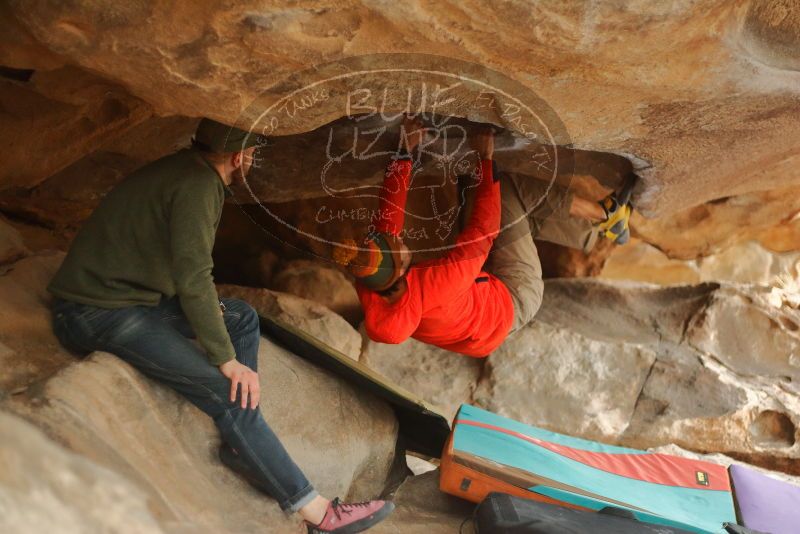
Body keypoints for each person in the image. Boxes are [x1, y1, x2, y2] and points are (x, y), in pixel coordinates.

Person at [47, 118, 394, 534]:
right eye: (251, 152)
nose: (251, 159)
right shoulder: (198, 187)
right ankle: (319, 513)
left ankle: (240, 440)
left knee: (242, 316)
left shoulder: (186, 170)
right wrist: (227, 360)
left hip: (125, 301)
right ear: (238, 156)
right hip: (97, 312)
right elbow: (194, 276)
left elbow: (186, 274)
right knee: (227, 394)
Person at [334, 116, 632, 356]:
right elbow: (484, 231)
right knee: (499, 189)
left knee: (473, 185)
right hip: (515, 295)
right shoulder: (438, 283)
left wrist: (404, 152)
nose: (399, 239)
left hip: (478, 308)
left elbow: (387, 220)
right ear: (400, 271)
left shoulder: (374, 279)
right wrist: (485, 157)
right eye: (398, 246)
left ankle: (589, 235)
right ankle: (607, 214)